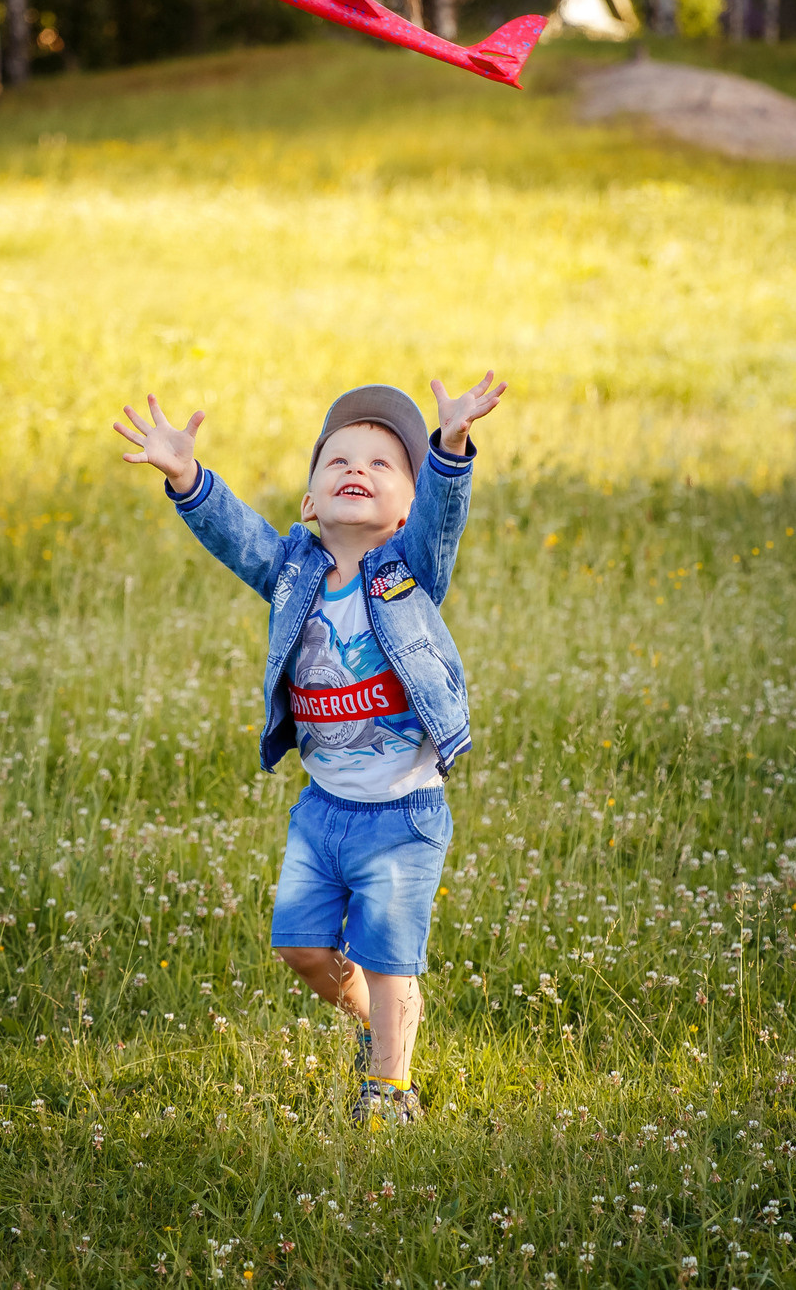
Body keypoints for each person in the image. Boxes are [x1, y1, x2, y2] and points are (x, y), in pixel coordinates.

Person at [113, 374, 504, 1128]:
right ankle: (372, 1022)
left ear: (403, 511)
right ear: (309, 502)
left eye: (383, 464)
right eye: (339, 460)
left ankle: (389, 1090)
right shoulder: (293, 569)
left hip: (403, 810)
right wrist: (188, 477)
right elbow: (236, 535)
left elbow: (445, 515)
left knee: (392, 959)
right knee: (299, 945)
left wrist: (450, 446)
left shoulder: (410, 566)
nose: (357, 469)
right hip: (323, 809)